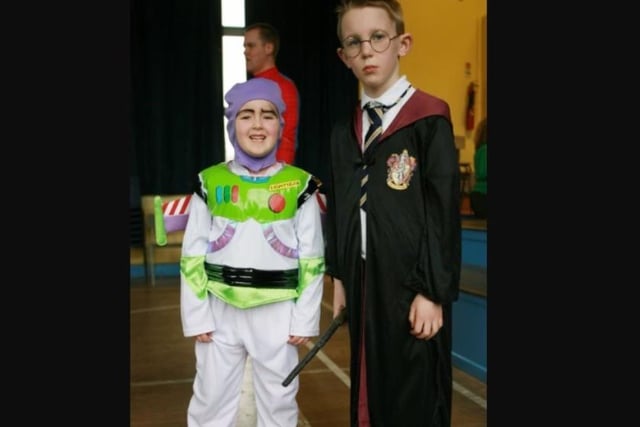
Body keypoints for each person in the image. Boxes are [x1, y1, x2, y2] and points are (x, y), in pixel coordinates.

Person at [325, 1, 461, 426]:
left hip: (413, 285)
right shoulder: (344, 134)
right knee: (371, 386)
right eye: (354, 42)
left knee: (416, 391)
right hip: (366, 280)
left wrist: (432, 291)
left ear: (402, 43)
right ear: (343, 56)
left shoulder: (428, 119)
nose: (367, 51)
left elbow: (442, 214)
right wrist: (342, 276)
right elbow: (344, 210)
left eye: (378, 38)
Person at [180, 77, 325, 427]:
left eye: (268, 115)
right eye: (246, 115)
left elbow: (312, 259)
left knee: (279, 398)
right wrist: (197, 315)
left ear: (281, 125)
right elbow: (192, 253)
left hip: (278, 313)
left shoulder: (300, 185)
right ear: (232, 124)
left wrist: (304, 317)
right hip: (219, 310)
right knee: (211, 397)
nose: (257, 124)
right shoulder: (210, 181)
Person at [244, 22, 300, 165]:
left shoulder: (283, 87)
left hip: (272, 175)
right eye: (245, 46)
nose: (245, 51)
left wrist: (278, 178)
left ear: (268, 48)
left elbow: (286, 138)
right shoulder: (247, 88)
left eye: (251, 46)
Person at [469, 117, 487, 219]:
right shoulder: (485, 150)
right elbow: (483, 172)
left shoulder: (480, 150)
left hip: (478, 196)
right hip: (484, 195)